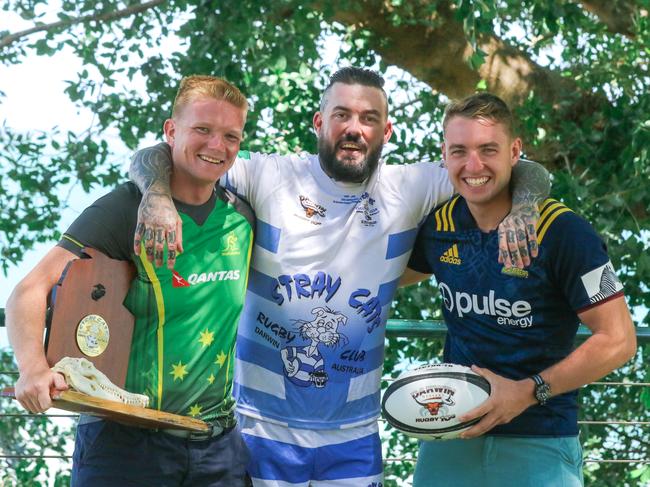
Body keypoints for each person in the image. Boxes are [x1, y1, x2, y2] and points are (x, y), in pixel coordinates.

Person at [129, 67, 550, 486]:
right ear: (319, 122)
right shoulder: (270, 175)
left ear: (386, 131)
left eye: (368, 119)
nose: (354, 128)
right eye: (342, 115)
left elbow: (524, 169)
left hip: (354, 434)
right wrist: (157, 194)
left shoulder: (411, 187)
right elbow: (158, 154)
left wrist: (525, 208)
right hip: (260, 428)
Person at [6, 75, 255, 486]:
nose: (217, 146)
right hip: (124, 445)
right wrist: (32, 368)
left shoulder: (243, 218)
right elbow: (30, 290)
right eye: (202, 130)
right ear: (171, 132)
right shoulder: (126, 208)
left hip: (218, 451)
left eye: (231, 135)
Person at [404, 93, 637, 487]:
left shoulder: (566, 233)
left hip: (541, 439)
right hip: (451, 436)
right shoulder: (437, 225)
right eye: (459, 151)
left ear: (515, 152)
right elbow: (377, 278)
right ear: (444, 154)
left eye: (488, 149)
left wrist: (529, 391)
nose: (473, 165)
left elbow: (620, 339)